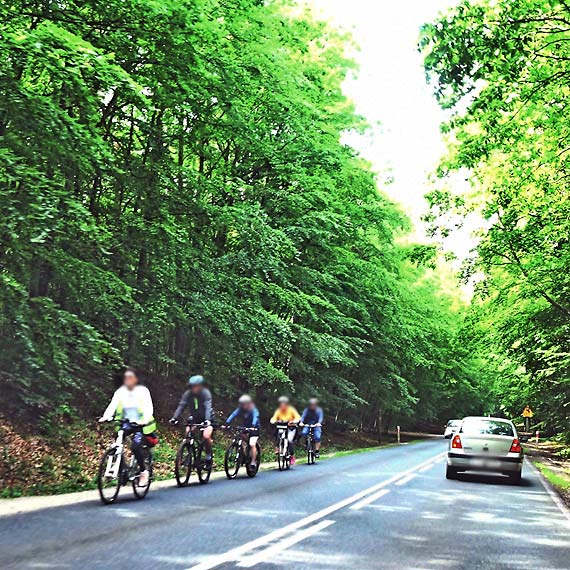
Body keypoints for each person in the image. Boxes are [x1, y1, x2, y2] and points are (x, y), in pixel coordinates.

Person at [99, 367, 156, 487]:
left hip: (140, 424)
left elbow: (148, 407)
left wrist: (144, 420)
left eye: (131, 377)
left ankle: (143, 472)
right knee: (117, 441)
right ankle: (121, 469)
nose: (128, 380)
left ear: (136, 379)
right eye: (126, 378)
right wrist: (106, 416)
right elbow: (112, 405)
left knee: (135, 446)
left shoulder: (143, 391)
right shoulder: (121, 391)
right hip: (127, 422)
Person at [169, 375, 214, 467]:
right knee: (188, 432)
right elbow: (181, 406)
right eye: (192, 386)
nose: (194, 388)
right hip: (195, 417)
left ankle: (209, 457)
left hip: (208, 418)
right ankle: (189, 452)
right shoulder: (188, 394)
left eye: (196, 386)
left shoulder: (205, 393)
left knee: (206, 436)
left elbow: (207, 407)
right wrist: (174, 418)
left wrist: (207, 420)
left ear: (200, 386)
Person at [224, 394, 260, 470]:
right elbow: (233, 414)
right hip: (244, 427)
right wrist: (227, 423)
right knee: (239, 437)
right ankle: (242, 454)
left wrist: (253, 426)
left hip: (254, 428)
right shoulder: (240, 409)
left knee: (252, 443)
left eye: (244, 404)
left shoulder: (253, 409)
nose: (243, 405)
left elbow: (255, 417)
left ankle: (253, 462)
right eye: (241, 404)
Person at [270, 396, 301, 465]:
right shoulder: (278, 410)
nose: (282, 405)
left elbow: (298, 417)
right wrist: (273, 421)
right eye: (281, 403)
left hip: (291, 428)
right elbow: (273, 418)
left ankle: (292, 456)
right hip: (281, 427)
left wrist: (294, 421)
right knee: (278, 437)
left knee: (289, 440)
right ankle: (278, 449)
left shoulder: (291, 410)